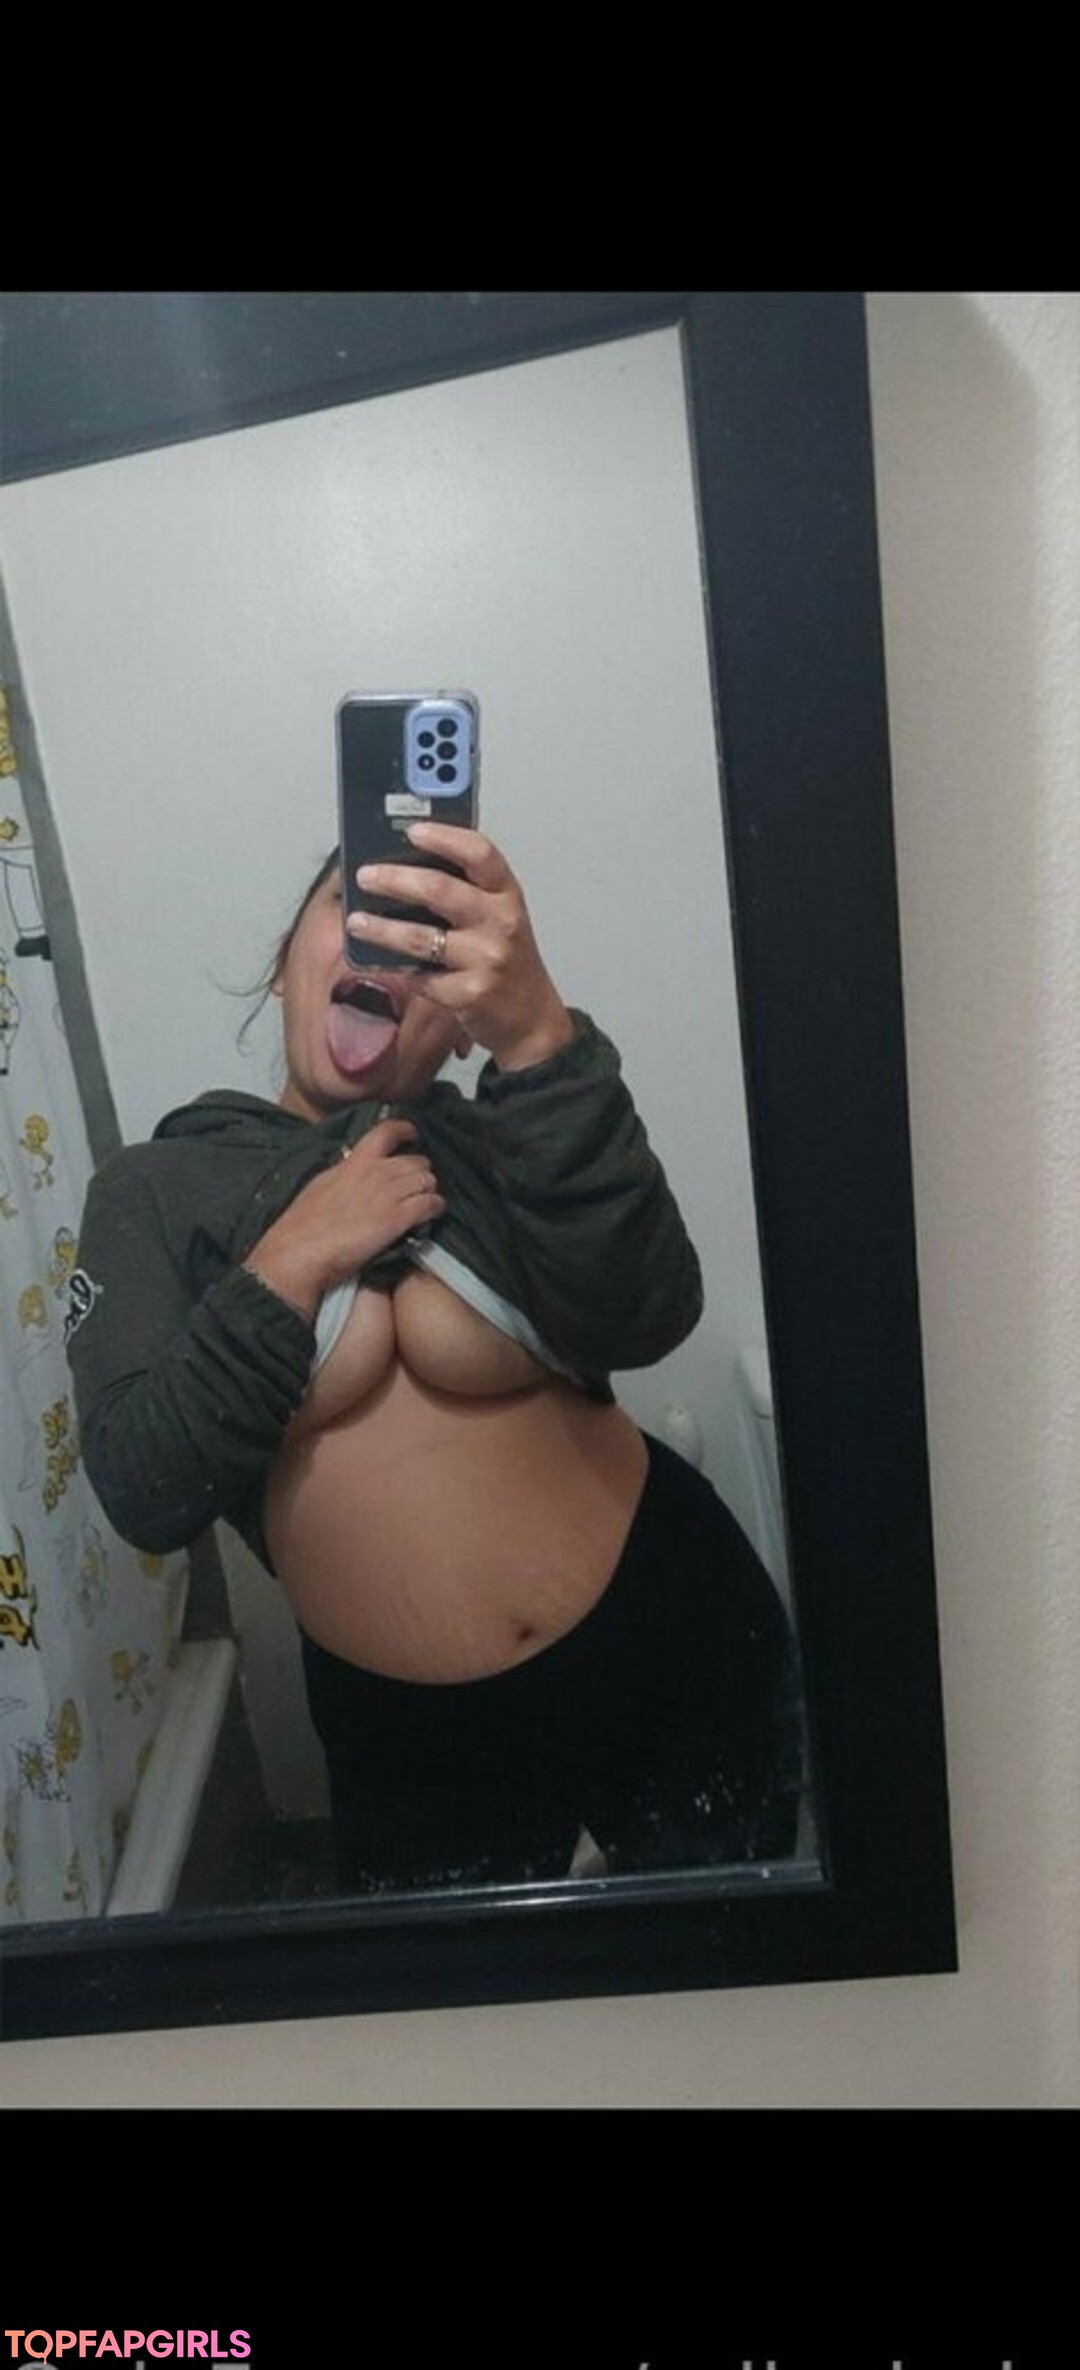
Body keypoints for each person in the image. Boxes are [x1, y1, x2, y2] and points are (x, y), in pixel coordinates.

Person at [68, 822, 800, 1891]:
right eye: (354, 908)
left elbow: (649, 1315)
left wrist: (539, 1039)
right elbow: (143, 1486)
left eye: (426, 941)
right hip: (414, 1747)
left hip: (674, 1630)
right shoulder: (154, 1189)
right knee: (483, 2002)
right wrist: (294, 1257)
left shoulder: (513, 1133)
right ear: (284, 966)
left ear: (459, 1028)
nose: (385, 948)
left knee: (736, 1965)